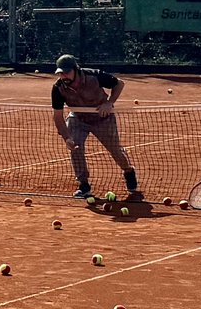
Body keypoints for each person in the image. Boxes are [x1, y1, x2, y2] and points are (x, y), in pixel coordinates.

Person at [51, 53, 140, 201]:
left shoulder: (94, 75)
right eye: (61, 73)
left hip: (103, 118)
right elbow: (58, 116)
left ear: (76, 70)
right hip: (78, 118)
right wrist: (67, 138)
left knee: (115, 150)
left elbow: (119, 83)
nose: (63, 76)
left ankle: (128, 171)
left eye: (67, 72)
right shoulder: (58, 88)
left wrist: (109, 103)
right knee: (75, 147)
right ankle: (83, 185)